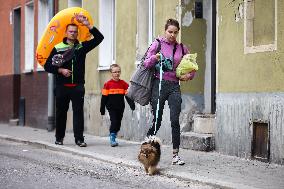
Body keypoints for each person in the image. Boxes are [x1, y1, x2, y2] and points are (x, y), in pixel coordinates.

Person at [44, 14, 104, 147]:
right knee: (61, 113)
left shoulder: (81, 47)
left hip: (77, 86)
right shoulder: (57, 47)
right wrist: (60, 70)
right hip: (61, 86)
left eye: (75, 32)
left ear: (78, 34)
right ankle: (59, 138)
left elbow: (100, 38)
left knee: (78, 113)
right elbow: (47, 65)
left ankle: (79, 139)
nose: (73, 34)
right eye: (70, 31)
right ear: (66, 32)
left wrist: (88, 25)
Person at [143, 18, 195, 165]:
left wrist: (188, 76)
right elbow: (146, 63)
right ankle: (146, 148)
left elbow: (192, 67)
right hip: (158, 84)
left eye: (175, 32)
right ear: (165, 31)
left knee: (174, 121)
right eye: (170, 32)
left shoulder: (182, 48)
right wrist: (155, 57)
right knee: (157, 120)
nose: (172, 35)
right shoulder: (157, 44)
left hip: (174, 86)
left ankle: (175, 155)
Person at [100, 64, 135, 147]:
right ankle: (112, 137)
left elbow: (127, 96)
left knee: (118, 123)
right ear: (111, 73)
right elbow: (104, 98)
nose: (117, 73)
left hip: (120, 107)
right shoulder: (107, 84)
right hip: (111, 107)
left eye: (118, 72)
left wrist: (131, 104)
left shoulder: (123, 84)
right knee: (114, 121)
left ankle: (114, 134)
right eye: (115, 72)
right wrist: (102, 108)